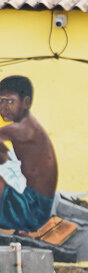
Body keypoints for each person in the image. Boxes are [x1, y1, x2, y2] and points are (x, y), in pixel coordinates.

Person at [0, 76, 59, 233]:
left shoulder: (21, 129)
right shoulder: (26, 125)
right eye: (1, 101)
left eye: (10, 101)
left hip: (33, 210)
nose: (4, 107)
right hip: (35, 202)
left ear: (25, 102)